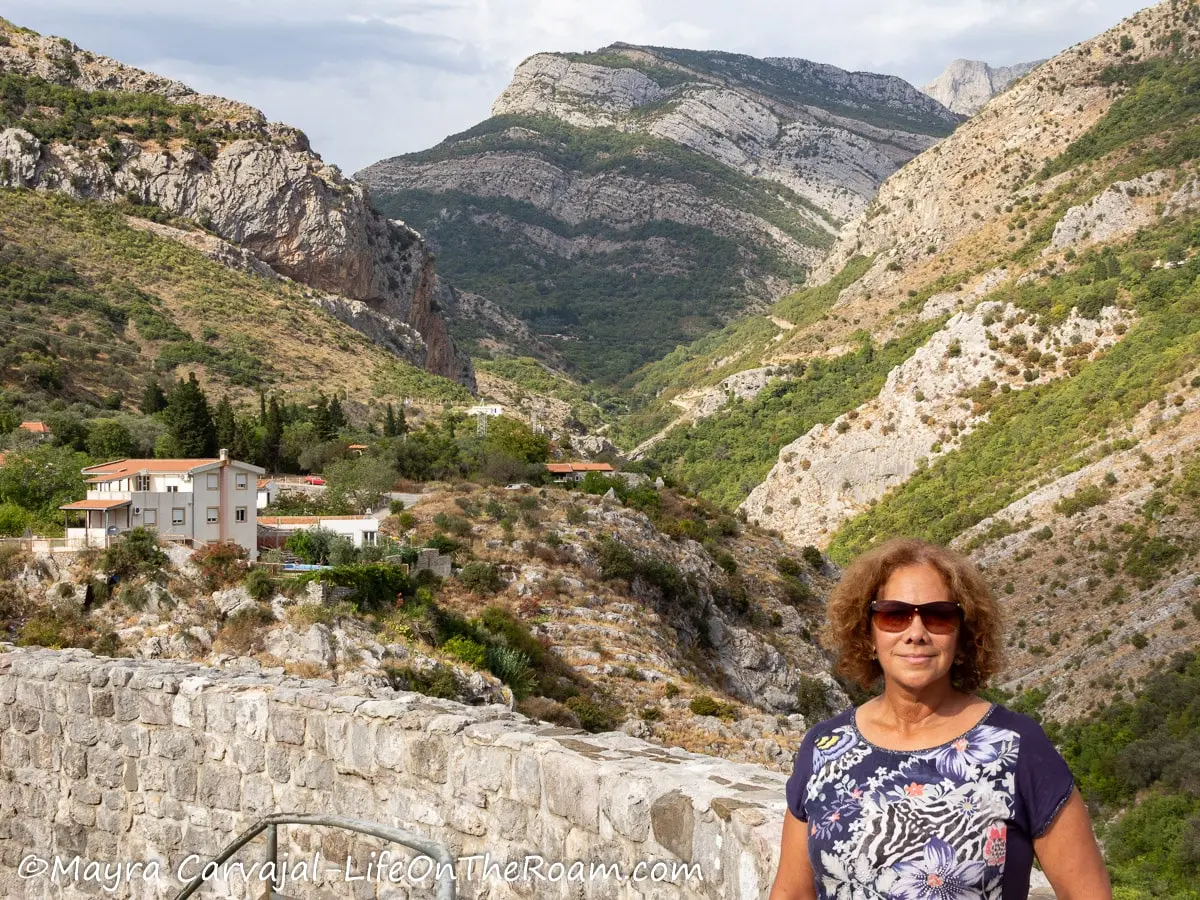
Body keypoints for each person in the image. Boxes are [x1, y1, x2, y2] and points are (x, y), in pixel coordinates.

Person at [769, 537, 1110, 900]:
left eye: (938, 616)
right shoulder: (826, 746)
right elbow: (791, 892)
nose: (916, 633)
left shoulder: (1016, 748)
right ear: (868, 633)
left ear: (964, 638)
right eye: (894, 614)